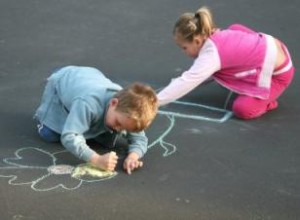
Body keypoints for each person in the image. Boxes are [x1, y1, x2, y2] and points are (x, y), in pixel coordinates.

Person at [157, 6, 294, 119]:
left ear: (198, 41)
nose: (183, 52)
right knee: (235, 28)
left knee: (243, 109)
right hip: (273, 45)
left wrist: (154, 102)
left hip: (279, 73)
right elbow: (203, 75)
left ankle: (267, 102)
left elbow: (190, 79)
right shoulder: (213, 35)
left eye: (184, 47)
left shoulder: (211, 55)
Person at [34, 66, 158, 174]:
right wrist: (96, 160)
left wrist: (133, 157)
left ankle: (89, 125)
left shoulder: (126, 112)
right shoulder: (88, 103)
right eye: (118, 123)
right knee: (49, 134)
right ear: (114, 103)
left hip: (89, 77)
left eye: (125, 128)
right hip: (64, 81)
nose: (119, 130)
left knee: (100, 135)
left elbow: (139, 138)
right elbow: (70, 136)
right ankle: (59, 72)